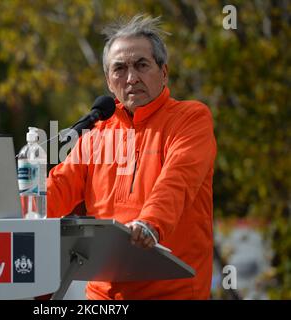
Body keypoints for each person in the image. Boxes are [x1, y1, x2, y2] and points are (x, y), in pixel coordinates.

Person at [47, 14, 217, 300]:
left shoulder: (191, 118)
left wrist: (150, 223)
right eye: (120, 69)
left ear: (163, 73)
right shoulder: (96, 131)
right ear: (109, 82)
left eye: (141, 65)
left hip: (173, 293)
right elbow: (59, 188)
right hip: (103, 297)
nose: (131, 78)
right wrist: (17, 219)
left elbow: (178, 180)